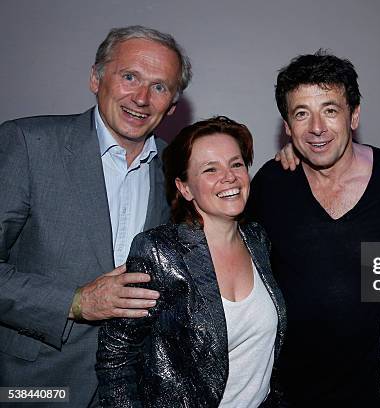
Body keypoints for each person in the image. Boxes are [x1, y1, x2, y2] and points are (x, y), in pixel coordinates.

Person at [0, 26, 191, 407]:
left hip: (133, 389)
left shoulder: (176, 169)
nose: (141, 98)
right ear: (95, 78)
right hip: (36, 386)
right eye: (129, 76)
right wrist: (74, 302)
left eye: (159, 86)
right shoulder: (27, 144)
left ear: (172, 105)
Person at [246, 51, 380, 407]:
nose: (316, 128)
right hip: (294, 391)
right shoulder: (272, 183)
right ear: (288, 126)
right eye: (301, 114)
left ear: (354, 115)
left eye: (330, 110)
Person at [96, 116, 286, 407]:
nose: (229, 177)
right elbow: (116, 356)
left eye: (236, 164)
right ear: (185, 188)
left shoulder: (258, 239)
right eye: (210, 169)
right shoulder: (158, 251)